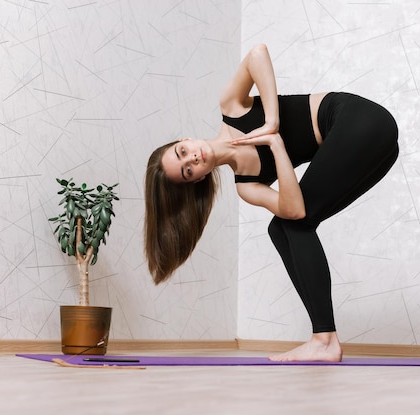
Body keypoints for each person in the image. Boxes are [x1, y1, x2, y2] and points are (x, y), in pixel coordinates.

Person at [144, 44, 399, 362]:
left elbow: (257, 54)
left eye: (183, 152)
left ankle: (324, 341)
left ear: (185, 140)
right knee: (282, 227)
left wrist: (271, 123)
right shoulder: (247, 185)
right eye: (187, 170)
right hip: (381, 150)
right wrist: (276, 146)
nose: (192, 158)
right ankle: (323, 339)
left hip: (361, 121)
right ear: (196, 179)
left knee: (293, 224)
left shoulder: (232, 106)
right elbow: (295, 209)